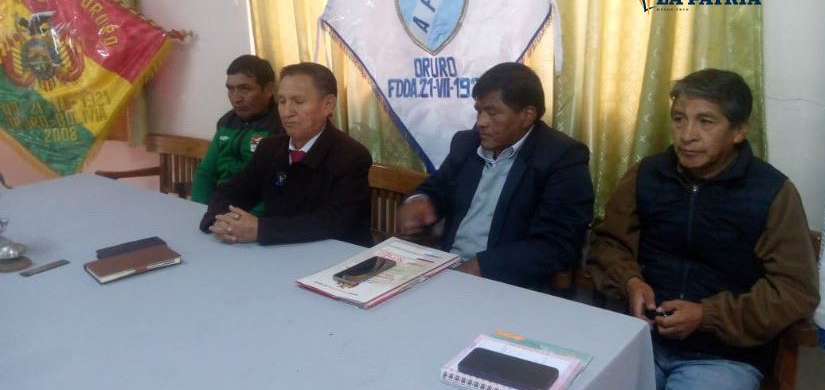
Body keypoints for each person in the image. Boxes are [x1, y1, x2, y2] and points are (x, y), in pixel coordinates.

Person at [586, 69, 819, 390]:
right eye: (679, 119)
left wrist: (707, 315)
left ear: (738, 131)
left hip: (722, 356)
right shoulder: (647, 175)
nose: (687, 135)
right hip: (640, 338)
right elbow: (607, 245)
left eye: (705, 122)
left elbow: (794, 292)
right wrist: (631, 282)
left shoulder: (772, 192)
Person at [397, 62, 594, 291]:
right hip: (447, 271)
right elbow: (437, 186)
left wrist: (482, 266)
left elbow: (558, 244)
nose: (481, 122)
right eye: (478, 110)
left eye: (492, 112)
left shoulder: (562, 157)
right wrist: (419, 200)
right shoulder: (466, 143)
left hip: (510, 285)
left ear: (527, 115)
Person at [199, 62, 372, 247]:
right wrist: (220, 220)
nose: (287, 112)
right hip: (281, 251)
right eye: (282, 101)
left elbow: (334, 221)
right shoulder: (270, 148)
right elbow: (234, 190)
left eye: (298, 102)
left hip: (337, 256)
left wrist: (261, 230)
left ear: (327, 105)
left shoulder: (351, 155)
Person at [191, 54, 284, 213]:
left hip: (256, 215)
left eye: (245, 89)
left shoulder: (282, 127)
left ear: (269, 89)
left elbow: (280, 181)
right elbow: (206, 173)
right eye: (230, 89)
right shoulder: (226, 122)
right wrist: (200, 210)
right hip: (218, 207)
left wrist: (250, 219)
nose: (236, 98)